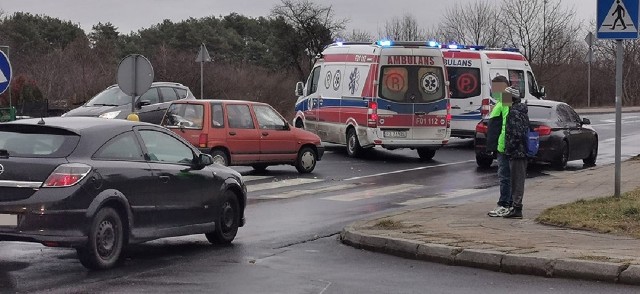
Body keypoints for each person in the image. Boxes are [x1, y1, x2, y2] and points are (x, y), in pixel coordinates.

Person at [487, 75, 512, 217]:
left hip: (503, 146)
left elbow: (505, 124)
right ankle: (506, 203)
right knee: (504, 176)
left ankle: (504, 204)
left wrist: (502, 145)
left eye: (496, 87)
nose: (494, 90)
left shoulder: (506, 98)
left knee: (504, 177)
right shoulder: (501, 100)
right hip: (501, 145)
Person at [503, 86, 529, 219]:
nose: (503, 99)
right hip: (521, 151)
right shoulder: (522, 111)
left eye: (505, 97)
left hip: (517, 152)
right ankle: (515, 206)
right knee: (517, 180)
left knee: (516, 180)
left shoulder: (514, 113)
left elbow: (516, 134)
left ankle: (517, 208)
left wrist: (510, 148)